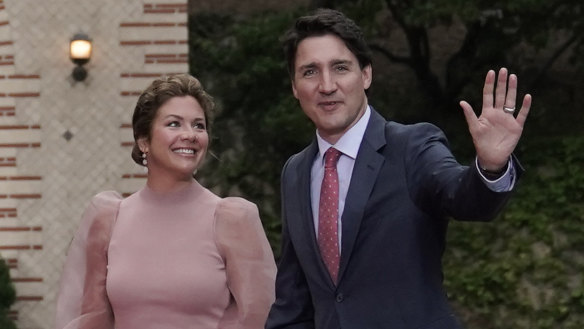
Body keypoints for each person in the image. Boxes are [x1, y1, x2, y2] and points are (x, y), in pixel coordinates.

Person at [265, 8, 531, 329]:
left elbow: (463, 196)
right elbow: (294, 300)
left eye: (340, 67)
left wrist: (490, 166)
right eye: (310, 72)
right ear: (294, 86)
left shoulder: (412, 146)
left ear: (366, 75)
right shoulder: (295, 171)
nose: (326, 85)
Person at [55, 74, 276, 329]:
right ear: (143, 141)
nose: (190, 135)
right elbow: (93, 319)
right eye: (174, 124)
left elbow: (259, 320)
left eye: (198, 125)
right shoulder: (108, 219)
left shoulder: (233, 219)